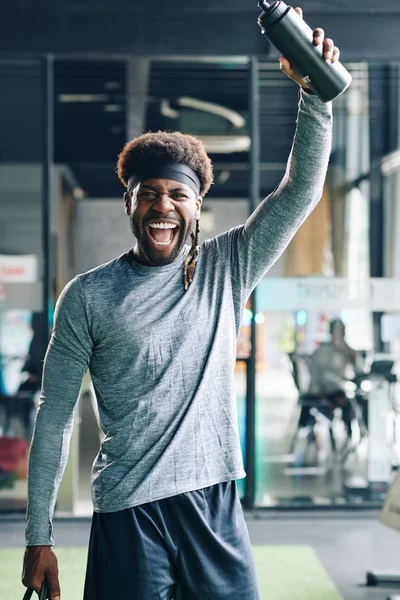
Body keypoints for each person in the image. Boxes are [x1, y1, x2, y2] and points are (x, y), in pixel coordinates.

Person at [22, 8, 338, 600]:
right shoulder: (87, 296)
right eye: (149, 194)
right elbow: (55, 414)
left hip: (213, 503)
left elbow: (301, 190)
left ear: (197, 207)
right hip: (128, 513)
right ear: (129, 204)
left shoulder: (229, 266)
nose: (163, 206)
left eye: (177, 195)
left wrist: (314, 94)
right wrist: (38, 533)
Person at [306, 319, 360, 441]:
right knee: (346, 400)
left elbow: (356, 368)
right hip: (322, 392)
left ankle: (350, 433)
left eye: (341, 332)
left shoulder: (345, 351)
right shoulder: (322, 352)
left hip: (337, 390)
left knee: (355, 400)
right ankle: (348, 432)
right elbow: (319, 377)